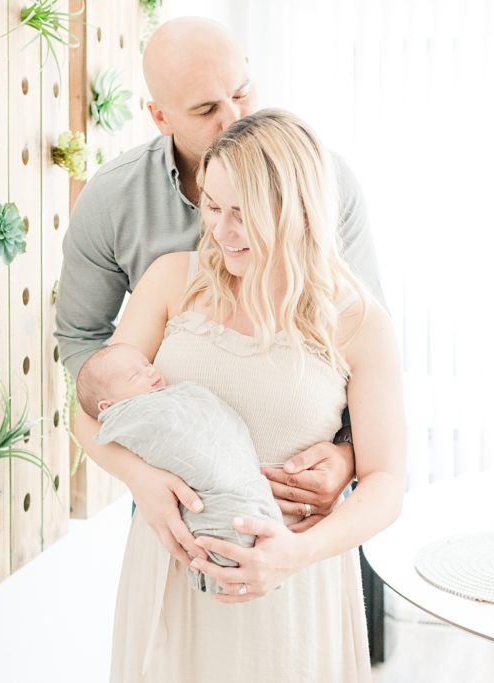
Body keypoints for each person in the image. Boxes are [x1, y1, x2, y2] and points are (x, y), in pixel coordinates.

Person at [76, 109, 407, 681]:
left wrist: (291, 556)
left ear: (298, 210)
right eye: (212, 206)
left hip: (293, 587)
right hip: (172, 573)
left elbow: (387, 484)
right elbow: (88, 417)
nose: (220, 231)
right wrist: (144, 483)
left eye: (242, 214)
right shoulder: (171, 281)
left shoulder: (358, 321)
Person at [55, 17, 387, 566]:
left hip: (301, 503)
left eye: (240, 93)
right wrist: (145, 465)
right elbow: (82, 338)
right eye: (207, 110)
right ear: (160, 117)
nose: (236, 119)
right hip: (176, 490)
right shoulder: (116, 204)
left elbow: (362, 337)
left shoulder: (324, 183)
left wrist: (348, 457)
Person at [76, 342, 283, 595]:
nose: (151, 373)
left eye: (148, 364)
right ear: (108, 407)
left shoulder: (178, 397)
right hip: (200, 517)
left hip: (271, 519)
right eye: (135, 376)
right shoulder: (135, 414)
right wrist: (138, 475)